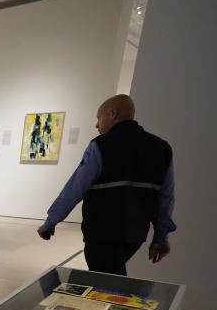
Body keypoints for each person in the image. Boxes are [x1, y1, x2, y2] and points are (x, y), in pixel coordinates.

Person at [37, 94, 176, 276]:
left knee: (108, 285)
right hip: (135, 234)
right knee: (109, 277)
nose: (96, 125)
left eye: (98, 118)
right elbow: (166, 197)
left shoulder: (101, 145)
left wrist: (50, 222)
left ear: (113, 114)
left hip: (101, 232)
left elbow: (75, 188)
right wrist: (160, 236)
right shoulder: (162, 148)